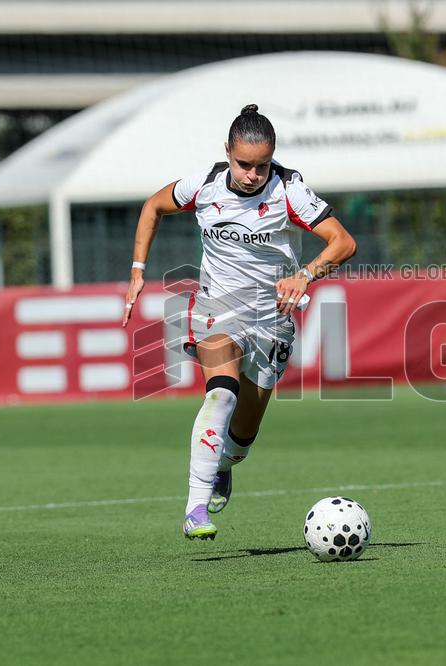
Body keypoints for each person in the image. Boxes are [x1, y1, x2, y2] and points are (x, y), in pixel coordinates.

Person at [121, 104, 357, 540]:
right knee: (221, 395)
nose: (252, 174)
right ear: (227, 152)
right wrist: (138, 269)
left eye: (262, 165)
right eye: (244, 164)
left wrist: (304, 274)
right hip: (218, 308)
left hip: (273, 319)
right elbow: (153, 207)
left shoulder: (290, 193)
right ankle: (195, 508)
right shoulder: (204, 187)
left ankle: (225, 466)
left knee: (243, 437)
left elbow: (343, 242)